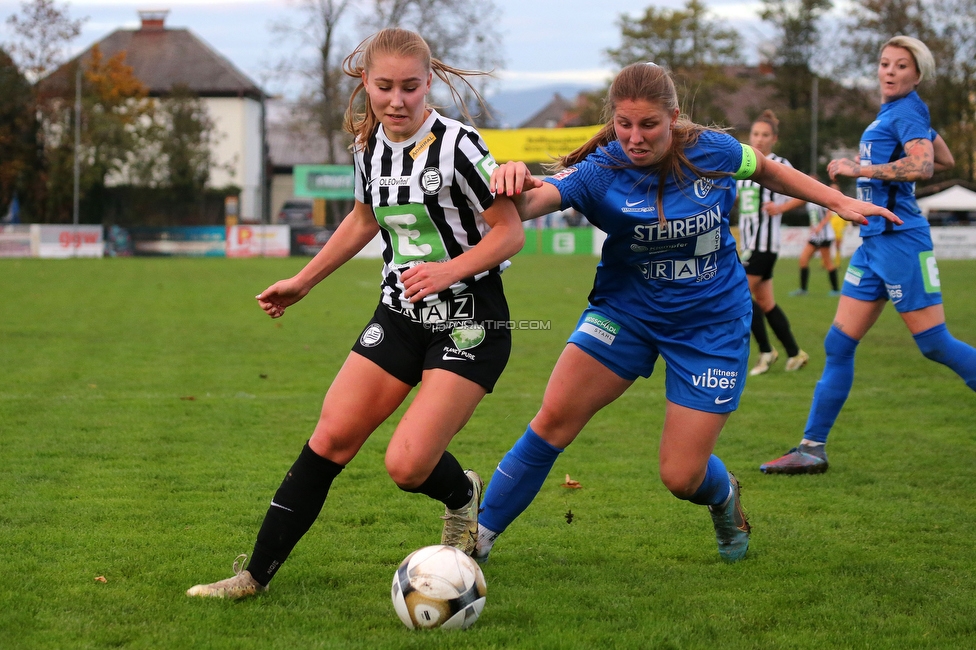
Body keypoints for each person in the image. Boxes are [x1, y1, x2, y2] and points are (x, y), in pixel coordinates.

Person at [473, 62, 898, 564]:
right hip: (625, 313)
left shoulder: (710, 151)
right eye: (624, 124)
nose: (634, 137)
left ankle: (724, 497)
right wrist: (510, 182)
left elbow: (764, 168)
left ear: (673, 118)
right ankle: (473, 542)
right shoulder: (599, 170)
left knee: (680, 476)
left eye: (648, 124)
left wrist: (836, 201)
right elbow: (531, 203)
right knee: (553, 420)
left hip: (710, 324)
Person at [186, 28, 524, 599]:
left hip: (470, 321)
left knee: (407, 466)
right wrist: (303, 281)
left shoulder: (460, 146)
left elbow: (509, 233)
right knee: (331, 438)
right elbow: (365, 220)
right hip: (397, 313)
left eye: (411, 88)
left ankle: (462, 495)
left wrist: (448, 270)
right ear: (365, 82)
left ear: (430, 83)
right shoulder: (368, 147)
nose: (397, 100)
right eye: (385, 86)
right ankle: (253, 576)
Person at [760, 36, 975, 475]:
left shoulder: (909, 108)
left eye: (902, 66)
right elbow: (945, 155)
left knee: (934, 344)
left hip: (900, 240)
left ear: (918, 75)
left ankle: (812, 446)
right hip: (872, 244)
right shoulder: (898, 114)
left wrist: (860, 168)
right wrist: (919, 137)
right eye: (884, 63)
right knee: (838, 343)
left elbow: (926, 165)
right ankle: (811, 448)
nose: (890, 71)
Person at [736, 110, 810, 376]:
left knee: (739, 295)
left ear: (774, 139)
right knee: (765, 302)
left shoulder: (779, 163)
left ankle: (766, 351)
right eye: (756, 134)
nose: (759, 139)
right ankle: (794, 353)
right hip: (750, 245)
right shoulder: (744, 163)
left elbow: (803, 191)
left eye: (765, 135)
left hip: (763, 245)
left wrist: (782, 208)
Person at [790, 179, 842, 297]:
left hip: (824, 235)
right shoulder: (809, 200)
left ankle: (835, 289)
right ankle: (803, 289)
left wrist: (820, 226)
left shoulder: (821, 197)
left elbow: (829, 214)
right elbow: (813, 217)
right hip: (815, 236)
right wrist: (812, 227)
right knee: (803, 259)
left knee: (828, 262)